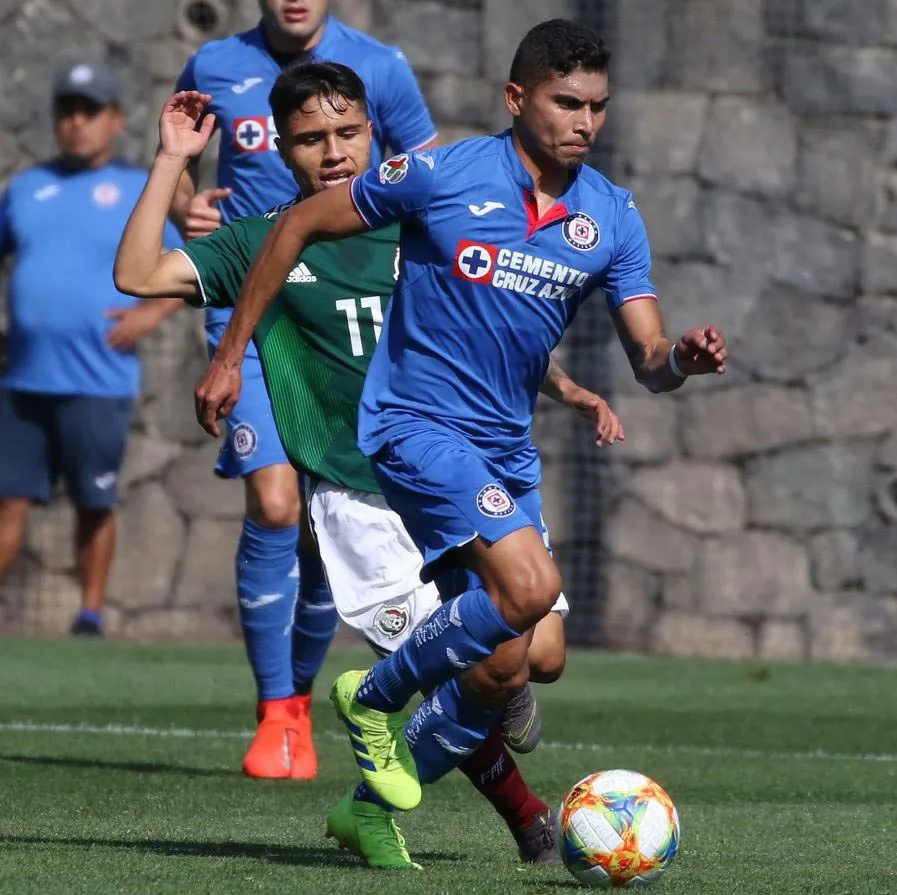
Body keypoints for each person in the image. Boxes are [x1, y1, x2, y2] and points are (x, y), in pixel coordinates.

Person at [195, 16, 729, 823]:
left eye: (597, 106)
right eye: (566, 102)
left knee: (523, 663)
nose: (584, 121)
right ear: (516, 98)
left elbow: (648, 361)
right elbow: (300, 222)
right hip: (412, 425)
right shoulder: (440, 173)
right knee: (530, 584)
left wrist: (681, 358)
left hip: (502, 450)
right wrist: (233, 352)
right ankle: (370, 696)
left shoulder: (612, 217)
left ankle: (367, 808)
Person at [115, 63, 622, 868]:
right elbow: (137, 275)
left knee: (539, 658)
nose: (334, 153)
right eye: (311, 140)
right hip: (362, 502)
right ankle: (520, 814)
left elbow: (487, 322)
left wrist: (563, 384)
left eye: (347, 132)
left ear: (373, 133)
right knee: (487, 666)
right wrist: (173, 156)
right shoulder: (271, 240)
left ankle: (418, 779)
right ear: (281, 149)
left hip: (464, 474)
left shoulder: (416, 217)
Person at [171, 0, 439, 781]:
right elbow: (184, 152)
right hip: (251, 307)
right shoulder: (215, 65)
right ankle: (277, 709)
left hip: (340, 307)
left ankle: (302, 701)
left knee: (323, 516)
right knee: (277, 501)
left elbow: (425, 179)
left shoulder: (379, 68)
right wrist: (185, 197)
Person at [0, 61, 182, 638]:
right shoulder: (25, 188)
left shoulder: (137, 189)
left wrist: (151, 312)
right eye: (67, 112)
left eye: (89, 112)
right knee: (8, 500)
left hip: (99, 379)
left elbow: (186, 263)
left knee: (93, 502)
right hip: (23, 378)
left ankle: (90, 614)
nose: (76, 124)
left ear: (114, 120)